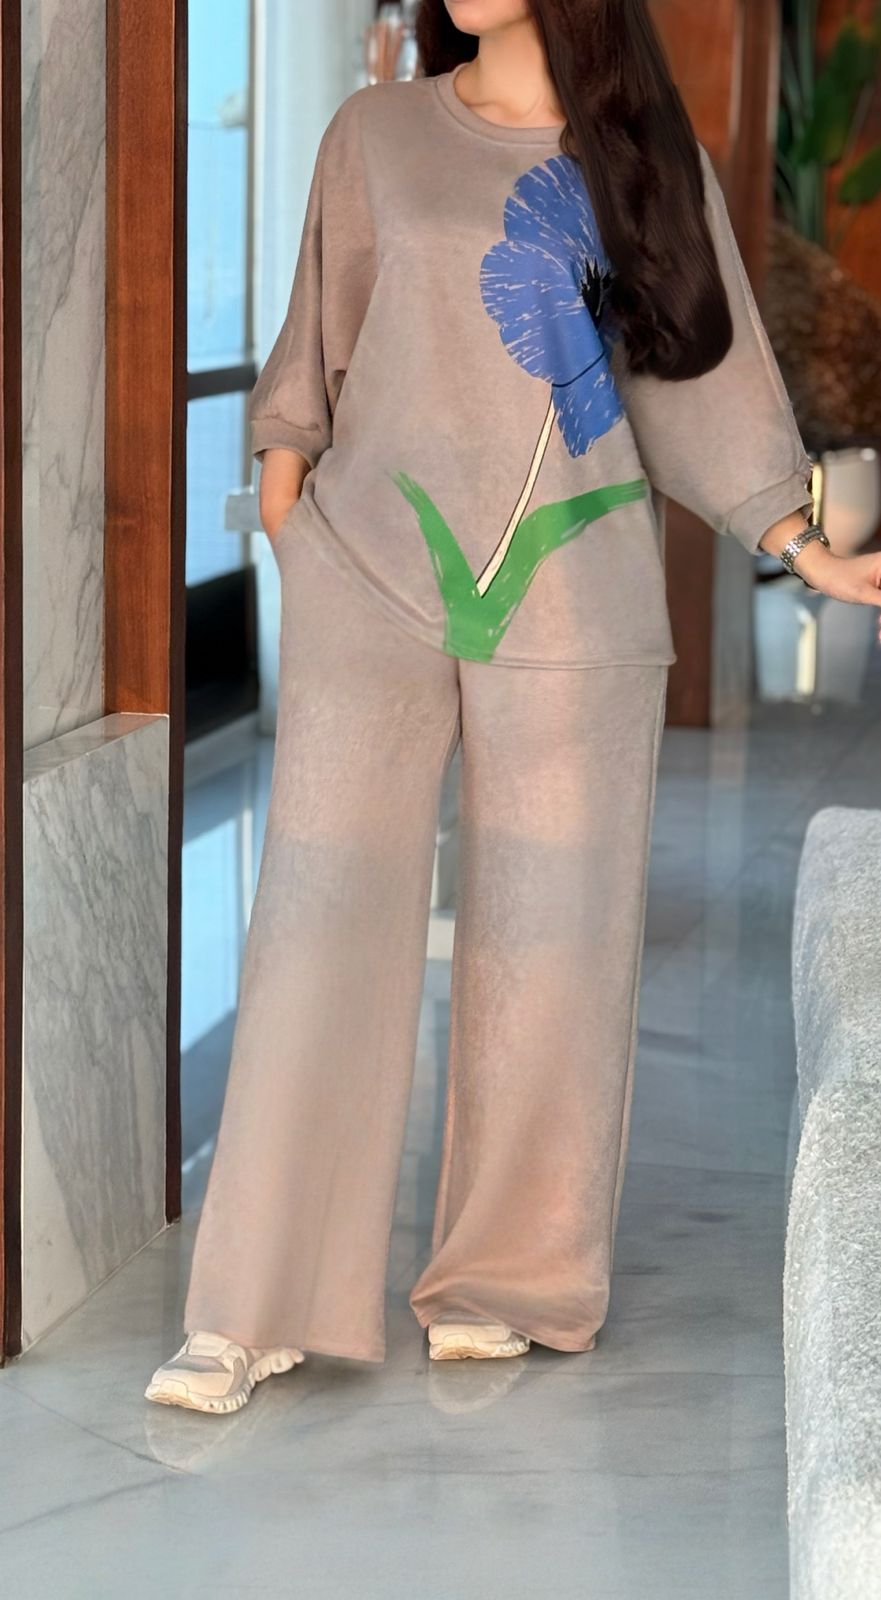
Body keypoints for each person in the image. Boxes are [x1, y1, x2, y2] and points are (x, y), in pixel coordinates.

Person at [146, 0, 881, 1413]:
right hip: (373, 573)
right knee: (319, 921)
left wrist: (802, 549)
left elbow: (703, 383)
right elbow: (317, 336)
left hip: (575, 592)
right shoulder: (377, 132)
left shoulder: (641, 154)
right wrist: (290, 512)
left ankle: (507, 1277)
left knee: (555, 936)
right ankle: (256, 1303)